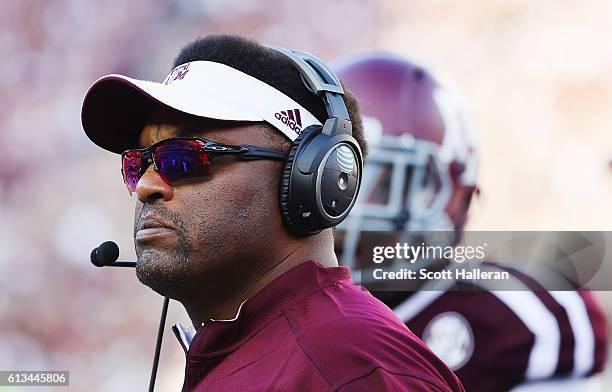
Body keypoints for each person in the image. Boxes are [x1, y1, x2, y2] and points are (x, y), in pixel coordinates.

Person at [80, 35, 465, 391]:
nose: (147, 185)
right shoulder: (260, 354)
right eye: (137, 163)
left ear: (313, 178)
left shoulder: (351, 365)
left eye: (184, 157)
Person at [334, 52, 608, 392]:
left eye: (386, 184)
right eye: (337, 177)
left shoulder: (502, 321)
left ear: (456, 197)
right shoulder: (276, 304)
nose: (349, 208)